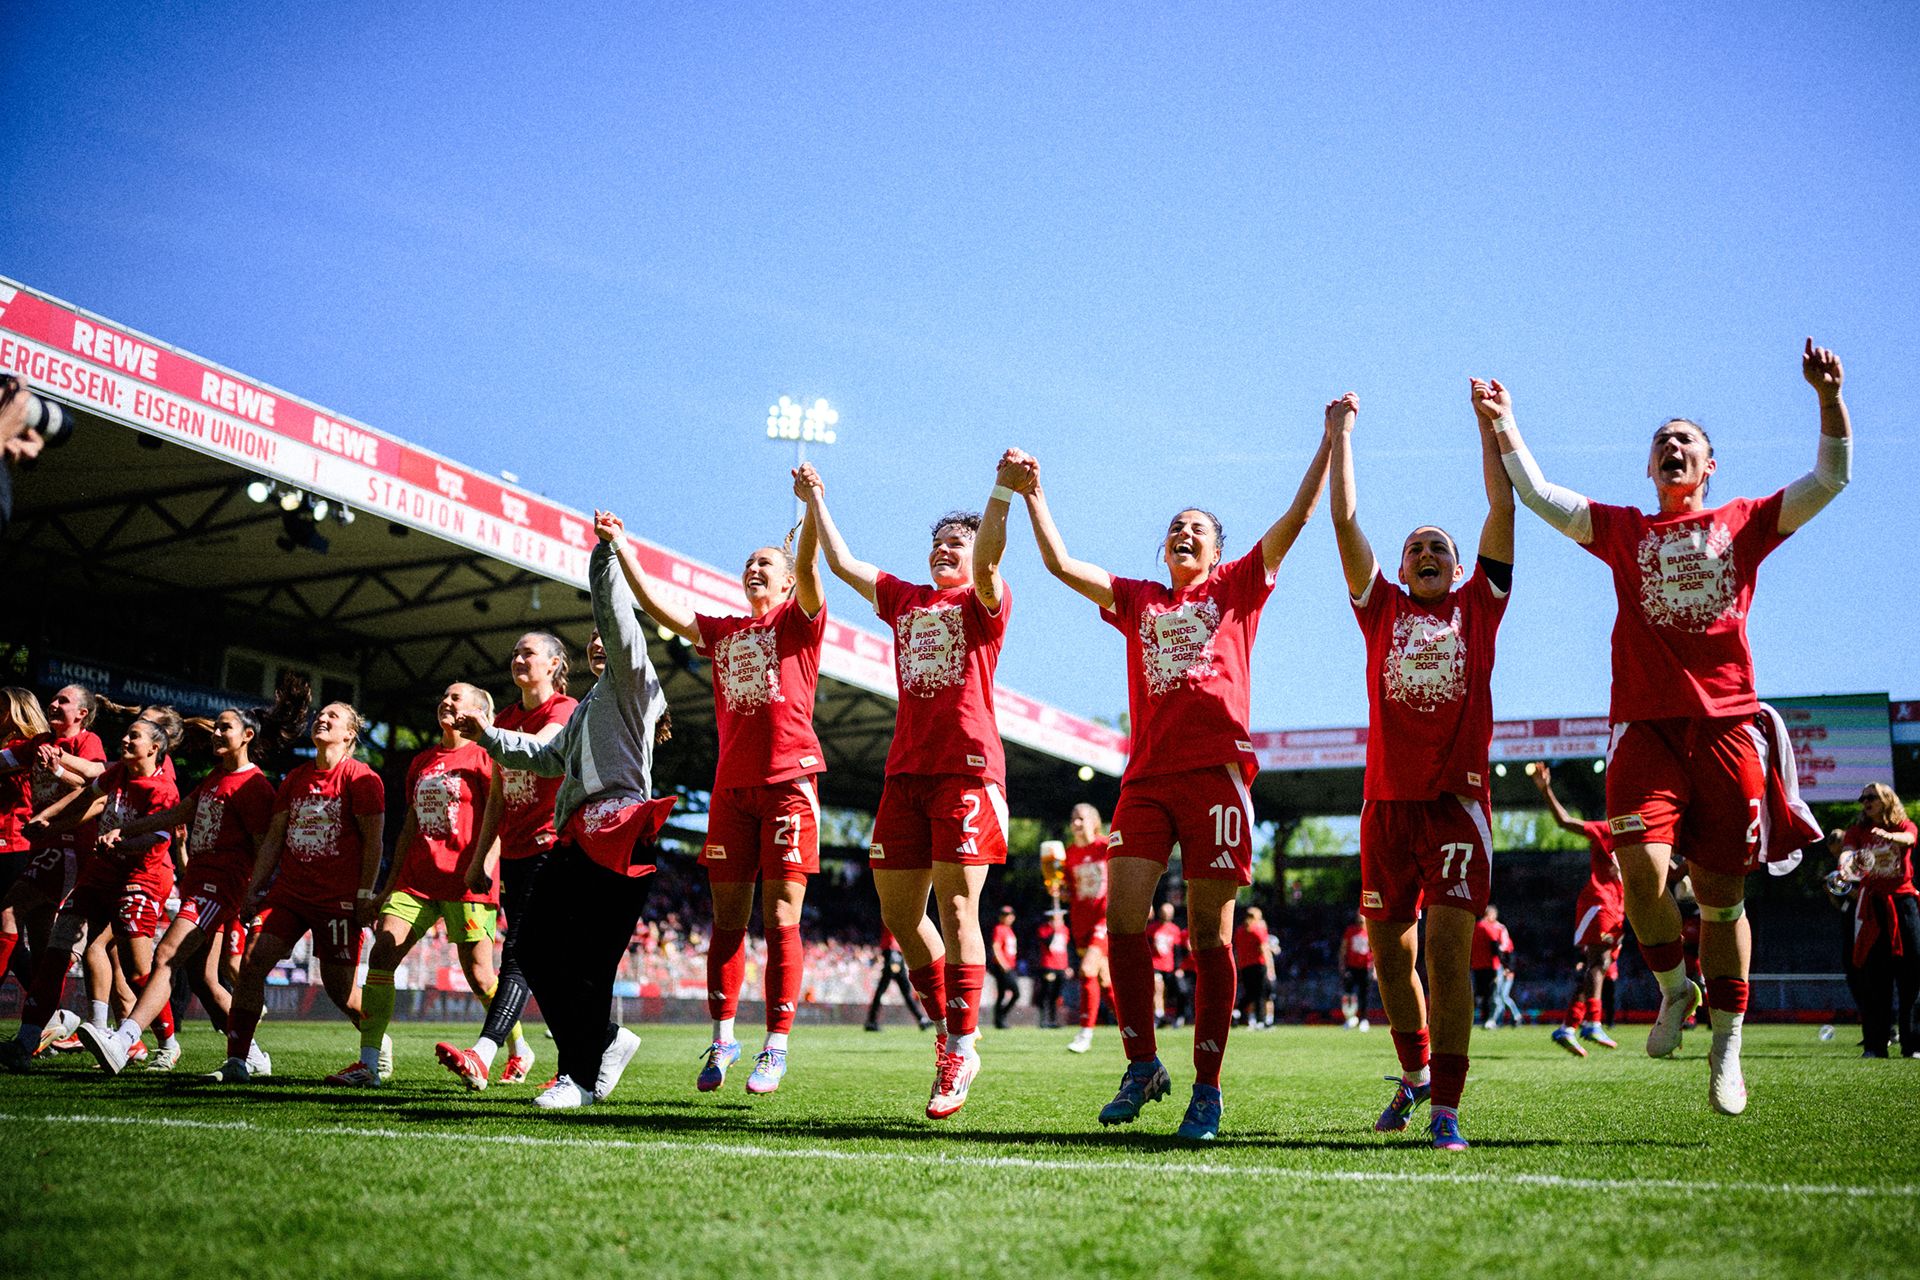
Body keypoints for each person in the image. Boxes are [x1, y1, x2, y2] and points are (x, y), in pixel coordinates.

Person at [1494, 339, 1850, 1114]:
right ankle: (1674, 988)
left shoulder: (1743, 522)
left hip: (1726, 731)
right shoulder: (1624, 531)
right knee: (1642, 876)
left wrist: (1828, 398)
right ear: (1650, 469)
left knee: (1721, 902)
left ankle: (1727, 1045)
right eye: (1661, 441)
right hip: (1646, 732)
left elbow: (1830, 479)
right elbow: (1540, 494)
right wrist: (1506, 422)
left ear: (1709, 465)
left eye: (1685, 439)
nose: (1672, 445)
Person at [1008, 424, 1333, 1141]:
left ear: (1217, 551)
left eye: (1198, 529)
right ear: (1163, 549)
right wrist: (1033, 496)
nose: (1184, 534)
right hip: (1147, 779)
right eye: (1175, 528)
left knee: (1208, 935)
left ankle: (1207, 1090)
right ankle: (1142, 1065)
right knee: (1123, 920)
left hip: (1217, 776)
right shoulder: (1140, 600)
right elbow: (1060, 565)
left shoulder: (1239, 585)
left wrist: (1329, 438)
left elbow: (1298, 516)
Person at [798, 458, 1014, 1120]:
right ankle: (950, 1026)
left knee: (958, 910)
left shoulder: (983, 602)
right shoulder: (904, 599)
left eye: (958, 542)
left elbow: (991, 557)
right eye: (938, 541)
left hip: (968, 770)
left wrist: (1001, 491)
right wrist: (814, 499)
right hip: (905, 775)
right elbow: (842, 563)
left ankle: (961, 1046)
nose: (945, 549)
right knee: (898, 916)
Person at [1330, 383, 1514, 1151]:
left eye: (1439, 547)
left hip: (1454, 806)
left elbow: (1502, 507)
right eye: (1416, 549)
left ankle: (1448, 1109)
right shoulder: (1381, 609)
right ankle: (1414, 1074)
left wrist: (1490, 427)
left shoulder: (1479, 607)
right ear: (1401, 570)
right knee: (1388, 957)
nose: (1428, 555)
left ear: (1460, 566)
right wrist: (1340, 435)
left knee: (1445, 956)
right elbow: (1345, 521)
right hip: (1385, 806)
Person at [610, 485, 825, 1096]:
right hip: (731, 791)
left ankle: (775, 1046)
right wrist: (623, 548)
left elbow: (811, 565)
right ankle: (723, 1037)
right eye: (749, 561)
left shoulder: (799, 620)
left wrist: (812, 505)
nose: (755, 567)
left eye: (767, 562)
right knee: (726, 922)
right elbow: (660, 608)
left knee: (780, 919)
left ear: (787, 581)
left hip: (789, 784)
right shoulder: (724, 632)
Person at [458, 511, 675, 1110]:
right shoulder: (586, 709)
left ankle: (576, 1076)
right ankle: (603, 1042)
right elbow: (545, 756)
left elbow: (617, 616)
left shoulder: (632, 679)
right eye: (592, 639)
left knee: (589, 963)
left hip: (620, 830)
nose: (598, 640)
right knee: (531, 951)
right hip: (577, 836)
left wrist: (607, 553)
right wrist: (486, 734)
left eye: (606, 634)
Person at [74, 695, 303, 1075]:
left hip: (218, 888)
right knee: (203, 978)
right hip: (201, 883)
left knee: (166, 956)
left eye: (225, 727)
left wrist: (255, 895)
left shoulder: (254, 786)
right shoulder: (217, 776)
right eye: (216, 726)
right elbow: (178, 813)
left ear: (247, 736)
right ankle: (252, 1055)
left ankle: (124, 1039)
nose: (217, 733)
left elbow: (265, 846)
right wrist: (124, 830)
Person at [205, 701, 387, 1083]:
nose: (322, 719)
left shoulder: (362, 778)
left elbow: (374, 842)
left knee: (341, 992)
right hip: (288, 895)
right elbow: (274, 838)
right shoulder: (295, 778)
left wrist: (364, 895)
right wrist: (254, 889)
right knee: (252, 962)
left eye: (333, 717)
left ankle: (376, 1042)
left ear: (349, 734)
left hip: (336, 900)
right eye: (320, 715)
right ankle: (238, 1061)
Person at [333, 683, 500, 1087]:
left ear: (478, 709)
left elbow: (500, 818)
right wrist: (388, 886)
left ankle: (516, 1049)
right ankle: (369, 1064)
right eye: (444, 696)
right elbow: (410, 826)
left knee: (480, 976)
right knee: (382, 955)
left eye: (456, 697)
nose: (446, 701)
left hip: (465, 880)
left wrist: (485, 866)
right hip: (416, 881)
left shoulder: (487, 757)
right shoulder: (421, 762)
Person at [436, 634, 576, 1090]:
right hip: (515, 855)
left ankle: (483, 1054)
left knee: (518, 953)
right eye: (515, 652)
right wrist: (481, 859)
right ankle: (593, 1050)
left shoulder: (564, 710)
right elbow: (497, 796)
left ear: (553, 664)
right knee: (546, 964)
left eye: (528, 653)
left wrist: (489, 733)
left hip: (553, 848)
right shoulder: (507, 718)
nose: (518, 658)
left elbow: (543, 751)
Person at [2, 715, 180, 1070]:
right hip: (98, 874)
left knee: (137, 969)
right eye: (126, 734)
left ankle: (166, 1043)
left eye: (134, 736)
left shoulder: (163, 788)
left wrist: (122, 839)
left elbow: (158, 837)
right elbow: (87, 796)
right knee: (58, 948)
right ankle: (27, 1039)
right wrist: (49, 821)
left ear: (154, 748)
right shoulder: (118, 773)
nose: (125, 740)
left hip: (139, 878)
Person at [0, 685, 105, 1051]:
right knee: (44, 943)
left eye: (63, 701)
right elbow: (4, 760)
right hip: (43, 848)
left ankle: (122, 1032)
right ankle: (45, 1026)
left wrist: (58, 765)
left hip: (69, 847)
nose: (54, 704)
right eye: (54, 699)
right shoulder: (39, 743)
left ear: (82, 714)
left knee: (8, 912)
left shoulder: (87, 741)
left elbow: (95, 779)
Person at [1529, 762, 1622, 1056]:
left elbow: (1670, 870)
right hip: (1601, 902)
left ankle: (1568, 1027)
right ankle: (1593, 1022)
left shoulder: (1645, 838)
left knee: (1596, 967)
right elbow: (1565, 821)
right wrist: (1546, 790)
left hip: (1619, 909)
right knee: (1599, 961)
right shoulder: (1607, 830)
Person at [1835, 783, 1918, 1058]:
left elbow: (1909, 838)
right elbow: (1848, 852)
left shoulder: (1903, 825)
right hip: (1872, 907)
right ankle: (1875, 1045)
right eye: (1863, 798)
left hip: (1903, 904)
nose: (1865, 801)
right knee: (1873, 977)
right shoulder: (1858, 831)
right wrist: (1845, 866)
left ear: (1886, 800)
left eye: (1871, 797)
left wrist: (1889, 836)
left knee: (1912, 975)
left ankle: (1913, 1044)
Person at [0, 689, 51, 993]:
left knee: (11, 928)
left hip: (15, 846)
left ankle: (45, 1005)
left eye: (1, 709)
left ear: (19, 712)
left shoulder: (26, 748)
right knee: (12, 935)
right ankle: (45, 1006)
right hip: (11, 846)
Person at [1063, 803, 1113, 1053]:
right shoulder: (1069, 854)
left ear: (1094, 821)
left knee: (1086, 969)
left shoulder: (1106, 847)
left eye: (1081, 818)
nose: (1076, 823)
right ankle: (1136, 1027)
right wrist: (1059, 891)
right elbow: (1068, 891)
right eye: (1073, 818)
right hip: (1081, 921)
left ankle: (1084, 1034)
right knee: (1104, 980)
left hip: (1104, 919)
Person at [863, 925, 931, 1031]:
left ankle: (921, 1019)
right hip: (893, 952)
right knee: (885, 988)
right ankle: (871, 1021)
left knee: (904, 990)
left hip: (895, 953)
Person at [1470, 906, 1513, 1028]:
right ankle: (1492, 1020)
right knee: (1493, 994)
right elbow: (1497, 948)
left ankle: (1480, 1019)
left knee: (1480, 994)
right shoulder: (1493, 928)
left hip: (1476, 965)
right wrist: (1505, 966)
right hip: (1492, 966)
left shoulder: (1474, 927)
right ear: (1490, 915)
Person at [1233, 905, 1275, 1028]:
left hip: (1245, 966)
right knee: (1260, 993)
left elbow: (1237, 951)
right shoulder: (1258, 930)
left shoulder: (1240, 931)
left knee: (1250, 993)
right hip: (1258, 965)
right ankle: (1261, 1020)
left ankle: (1237, 1011)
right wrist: (1270, 968)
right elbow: (1264, 949)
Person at [1149, 901, 1187, 1028]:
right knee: (1158, 988)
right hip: (1155, 964)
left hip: (1170, 966)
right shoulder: (1151, 929)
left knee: (1179, 990)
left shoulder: (1174, 930)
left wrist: (1178, 968)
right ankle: (1158, 1014)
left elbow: (1177, 951)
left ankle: (1177, 1016)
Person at [1036, 909, 1070, 1028]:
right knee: (1047, 993)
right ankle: (1043, 1020)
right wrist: (1055, 930)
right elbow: (1047, 943)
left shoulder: (1065, 930)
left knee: (1057, 995)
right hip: (1048, 966)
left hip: (1061, 966)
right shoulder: (1044, 929)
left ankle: (1053, 1020)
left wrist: (1067, 966)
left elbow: (1065, 949)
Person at [1339, 910, 1372, 1031]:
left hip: (1365, 967)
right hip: (1351, 966)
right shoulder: (1350, 931)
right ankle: (1350, 1017)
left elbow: (1373, 950)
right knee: (1349, 993)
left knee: (1364, 994)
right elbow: (1343, 948)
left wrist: (1374, 968)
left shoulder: (1370, 931)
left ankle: (1364, 1019)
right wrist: (1342, 965)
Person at [989, 906, 1020, 1030]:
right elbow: (996, 947)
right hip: (1003, 967)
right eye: (1004, 915)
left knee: (1002, 994)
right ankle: (1000, 1017)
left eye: (1009, 915)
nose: (1007, 917)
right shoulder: (999, 929)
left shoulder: (1009, 930)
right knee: (1016, 992)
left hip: (1009, 965)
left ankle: (999, 1020)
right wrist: (1003, 964)